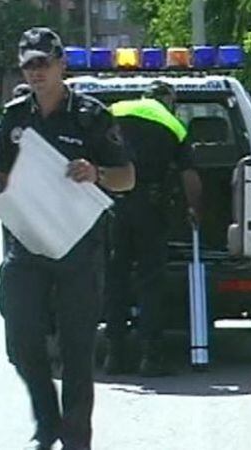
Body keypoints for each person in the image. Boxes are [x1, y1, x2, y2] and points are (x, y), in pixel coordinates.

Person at [0, 27, 135, 450]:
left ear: (60, 65)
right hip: (27, 244)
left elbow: (128, 178)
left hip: (77, 247)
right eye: (28, 65)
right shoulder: (15, 116)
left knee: (76, 350)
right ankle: (47, 419)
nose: (36, 73)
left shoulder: (89, 116)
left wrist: (97, 173)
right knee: (20, 341)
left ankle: (75, 440)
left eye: (43, 64)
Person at [103, 80, 202, 377]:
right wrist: (195, 209)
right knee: (150, 280)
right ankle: (151, 356)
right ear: (169, 102)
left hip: (111, 205)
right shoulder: (173, 124)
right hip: (149, 206)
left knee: (115, 277)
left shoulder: (111, 112)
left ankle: (114, 354)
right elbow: (190, 176)